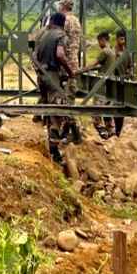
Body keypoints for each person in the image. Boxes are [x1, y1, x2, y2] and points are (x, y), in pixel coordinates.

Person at [33, 12, 80, 162]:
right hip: (52, 76)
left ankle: (55, 144)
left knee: (48, 110)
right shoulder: (61, 36)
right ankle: (55, 153)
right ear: (63, 23)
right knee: (57, 113)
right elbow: (60, 55)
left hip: (41, 76)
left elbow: (34, 56)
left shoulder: (42, 35)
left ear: (51, 21)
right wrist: (70, 71)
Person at [82, 31, 117, 139]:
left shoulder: (105, 52)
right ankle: (110, 129)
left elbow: (94, 63)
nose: (98, 44)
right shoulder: (112, 52)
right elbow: (103, 65)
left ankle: (101, 129)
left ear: (102, 40)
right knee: (107, 107)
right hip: (111, 82)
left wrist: (81, 70)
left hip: (102, 83)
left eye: (99, 41)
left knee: (96, 108)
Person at [58, 0, 82, 103]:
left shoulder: (64, 20)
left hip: (64, 61)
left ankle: (62, 115)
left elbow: (58, 39)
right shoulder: (76, 20)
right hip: (74, 61)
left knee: (60, 88)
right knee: (71, 88)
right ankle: (70, 113)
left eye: (60, 4)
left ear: (63, 6)